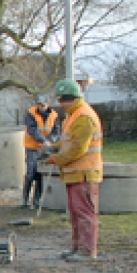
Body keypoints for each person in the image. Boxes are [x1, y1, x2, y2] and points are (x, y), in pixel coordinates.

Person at [48, 78, 103, 261]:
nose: (60, 104)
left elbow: (78, 149)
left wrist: (56, 159)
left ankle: (86, 251)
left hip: (84, 173)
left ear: (70, 98)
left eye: (61, 100)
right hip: (75, 173)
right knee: (75, 213)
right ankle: (78, 247)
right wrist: (53, 148)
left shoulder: (83, 117)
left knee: (84, 213)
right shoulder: (73, 115)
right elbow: (68, 142)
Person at [22, 95, 60, 209]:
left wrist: (49, 141)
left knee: (41, 173)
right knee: (30, 173)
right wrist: (43, 140)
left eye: (43, 105)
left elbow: (56, 131)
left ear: (48, 104)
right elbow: (32, 129)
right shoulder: (31, 113)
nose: (40, 107)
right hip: (32, 147)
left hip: (46, 148)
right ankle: (24, 198)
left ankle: (37, 199)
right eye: (39, 104)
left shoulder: (54, 115)